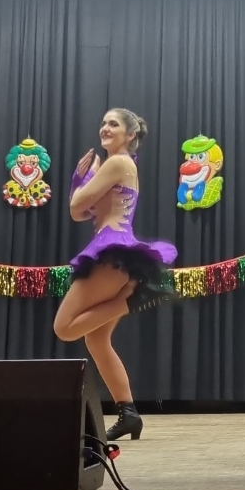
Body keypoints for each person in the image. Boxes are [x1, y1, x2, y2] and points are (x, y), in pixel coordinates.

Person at [53, 108, 177, 440]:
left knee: (64, 328)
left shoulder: (118, 162)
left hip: (112, 254)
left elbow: (76, 205)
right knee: (96, 339)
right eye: (103, 122)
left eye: (113, 124)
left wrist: (81, 182)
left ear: (130, 134)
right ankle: (129, 413)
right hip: (117, 254)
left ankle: (131, 300)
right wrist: (83, 185)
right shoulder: (118, 165)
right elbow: (79, 212)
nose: (105, 128)